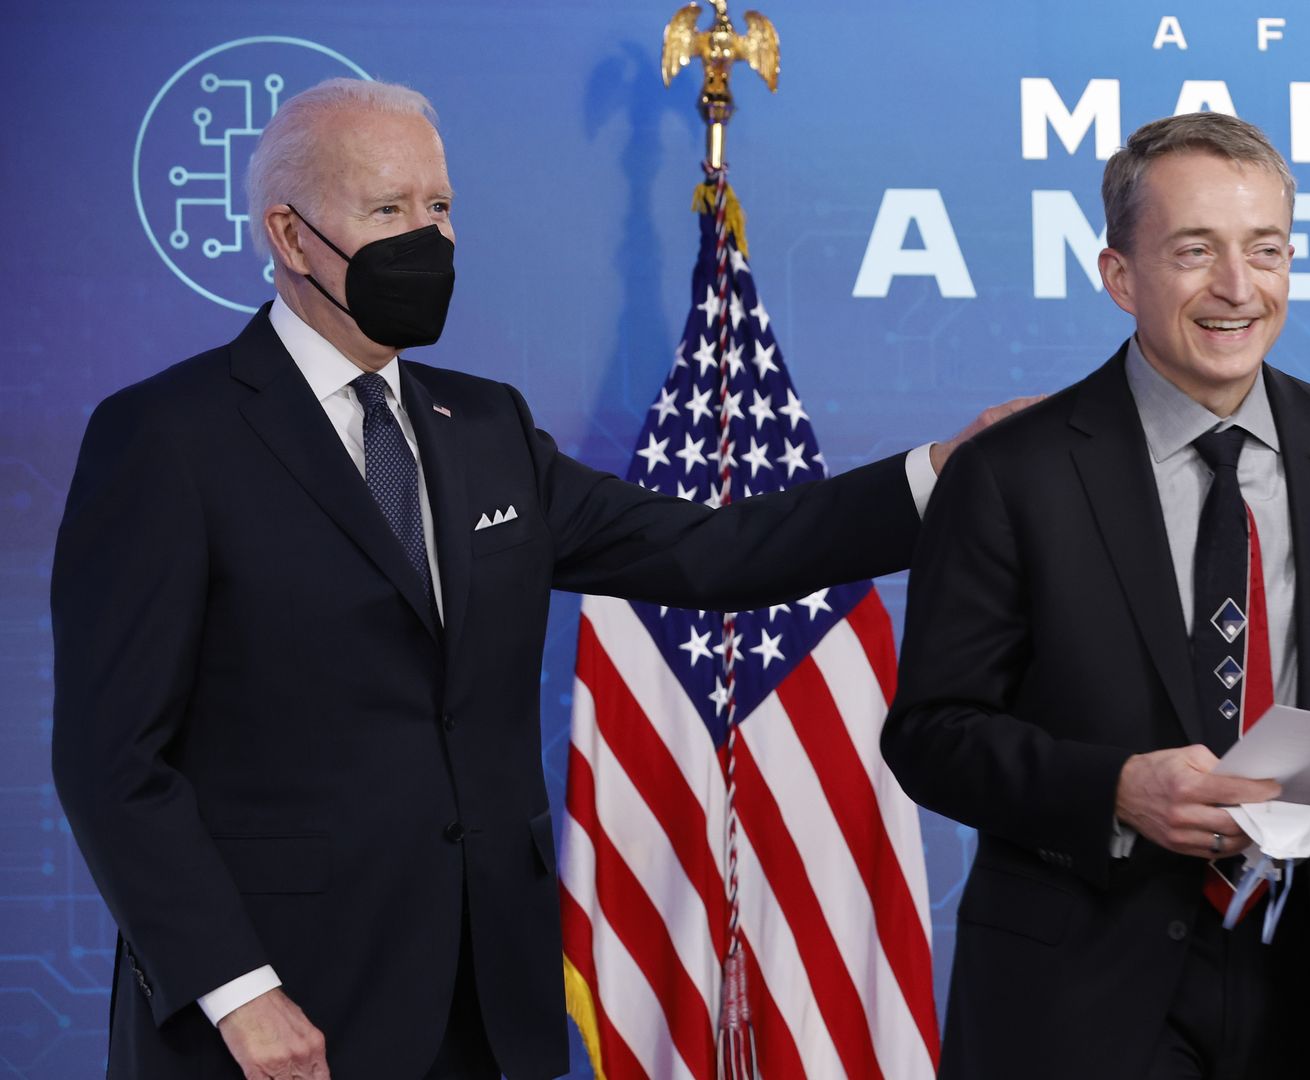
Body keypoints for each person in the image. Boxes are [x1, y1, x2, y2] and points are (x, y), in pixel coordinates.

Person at [51, 78, 1022, 1080]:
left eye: (439, 207)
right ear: (290, 238)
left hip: (487, 1012)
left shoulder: (487, 428)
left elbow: (718, 554)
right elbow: (111, 760)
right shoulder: (167, 437)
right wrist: (238, 990)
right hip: (272, 1021)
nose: (428, 239)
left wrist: (940, 473)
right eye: (387, 211)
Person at [881, 111, 1310, 1079]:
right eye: (1196, 251)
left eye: (1265, 250)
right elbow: (930, 734)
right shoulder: (1012, 472)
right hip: (1076, 982)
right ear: (1119, 276)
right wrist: (1114, 790)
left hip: (1294, 959)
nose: (1238, 288)